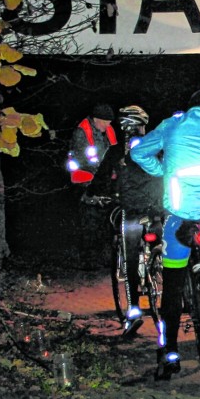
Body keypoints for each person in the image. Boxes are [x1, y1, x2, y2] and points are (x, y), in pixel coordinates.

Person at [129, 90, 200, 380]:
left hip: (180, 218)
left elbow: (138, 152)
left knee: (173, 285)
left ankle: (170, 354)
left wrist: (163, 170)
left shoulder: (171, 124)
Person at [84, 105, 160, 335]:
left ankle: (134, 312)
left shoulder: (116, 151)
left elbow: (101, 180)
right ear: (143, 126)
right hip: (159, 209)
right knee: (170, 249)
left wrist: (92, 194)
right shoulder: (157, 147)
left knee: (130, 261)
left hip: (131, 211)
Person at [66, 103, 121, 270]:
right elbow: (83, 159)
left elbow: (114, 154)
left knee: (105, 221)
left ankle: (103, 258)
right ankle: (87, 261)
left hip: (103, 182)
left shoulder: (109, 130)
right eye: (104, 122)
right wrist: (102, 171)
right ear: (96, 120)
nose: (107, 125)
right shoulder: (81, 132)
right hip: (85, 182)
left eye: (109, 122)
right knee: (89, 223)